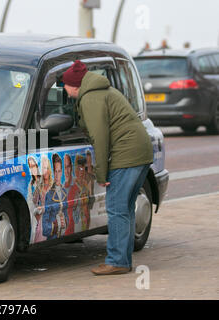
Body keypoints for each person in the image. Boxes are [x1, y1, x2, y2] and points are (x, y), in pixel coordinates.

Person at [61, 60, 153, 275]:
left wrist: (101, 174)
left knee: (116, 209)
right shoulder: (101, 90)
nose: (63, 89)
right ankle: (122, 259)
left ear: (74, 85)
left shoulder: (91, 98)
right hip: (139, 151)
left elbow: (100, 138)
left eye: (64, 85)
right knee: (126, 208)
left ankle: (117, 262)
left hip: (127, 154)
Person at [43, 154, 69, 239]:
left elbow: (67, 216)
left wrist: (64, 221)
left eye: (59, 171)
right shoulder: (49, 195)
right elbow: (45, 228)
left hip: (63, 237)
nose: (57, 175)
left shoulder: (64, 192)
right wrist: (55, 225)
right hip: (52, 238)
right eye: (55, 171)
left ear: (62, 172)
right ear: (53, 173)